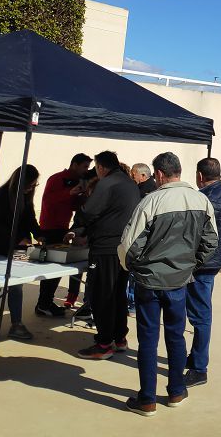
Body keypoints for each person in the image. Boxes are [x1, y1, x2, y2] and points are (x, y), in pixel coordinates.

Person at [119, 152, 217, 416]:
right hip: (178, 283)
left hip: (149, 283)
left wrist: (133, 267)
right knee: (176, 336)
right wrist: (189, 265)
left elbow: (130, 245)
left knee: (148, 340)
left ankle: (147, 399)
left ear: (160, 174)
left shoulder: (151, 201)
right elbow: (211, 242)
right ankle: (176, 391)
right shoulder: (201, 201)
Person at [66, 150, 142, 359]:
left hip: (106, 248)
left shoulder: (107, 184)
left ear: (101, 167)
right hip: (123, 248)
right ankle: (119, 337)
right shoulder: (129, 184)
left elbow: (89, 212)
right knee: (118, 294)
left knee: (102, 295)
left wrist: (78, 225)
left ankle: (104, 343)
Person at [185, 157, 221, 387]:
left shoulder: (207, 199)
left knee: (200, 316)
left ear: (200, 176)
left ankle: (199, 368)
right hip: (211, 262)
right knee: (200, 313)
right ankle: (195, 357)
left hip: (203, 264)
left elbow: (196, 234)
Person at [0, 165, 43, 344]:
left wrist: (39, 234)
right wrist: (17, 239)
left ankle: (17, 323)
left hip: (16, 250)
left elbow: (30, 220)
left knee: (16, 286)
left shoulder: (25, 197)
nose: (32, 188)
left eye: (34, 185)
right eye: (31, 184)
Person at [35, 152, 91, 317]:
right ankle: (43, 303)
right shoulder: (56, 178)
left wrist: (84, 197)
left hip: (63, 228)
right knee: (51, 268)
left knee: (57, 270)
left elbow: (73, 205)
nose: (85, 170)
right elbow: (48, 200)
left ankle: (46, 302)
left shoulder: (78, 181)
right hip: (50, 228)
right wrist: (70, 192)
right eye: (84, 167)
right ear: (74, 164)